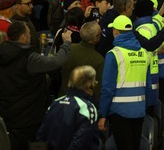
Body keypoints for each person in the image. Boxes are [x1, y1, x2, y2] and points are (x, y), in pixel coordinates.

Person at [0, 21, 72, 150]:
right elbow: (56, 62)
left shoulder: (2, 53)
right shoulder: (29, 58)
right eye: (28, 34)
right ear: (23, 37)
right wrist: (66, 43)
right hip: (29, 116)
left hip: (8, 113)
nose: (30, 37)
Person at [98, 15, 150, 150]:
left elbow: (107, 88)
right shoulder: (143, 53)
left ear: (116, 32)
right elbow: (147, 85)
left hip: (119, 111)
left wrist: (103, 114)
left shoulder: (114, 54)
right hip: (139, 110)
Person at [36, 65, 101, 150]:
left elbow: (41, 134)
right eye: (94, 82)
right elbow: (80, 141)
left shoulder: (55, 103)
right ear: (89, 86)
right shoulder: (87, 108)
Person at [60, 21, 104, 105]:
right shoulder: (99, 60)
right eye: (100, 33)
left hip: (63, 99)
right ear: (95, 38)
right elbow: (97, 90)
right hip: (84, 105)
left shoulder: (67, 49)